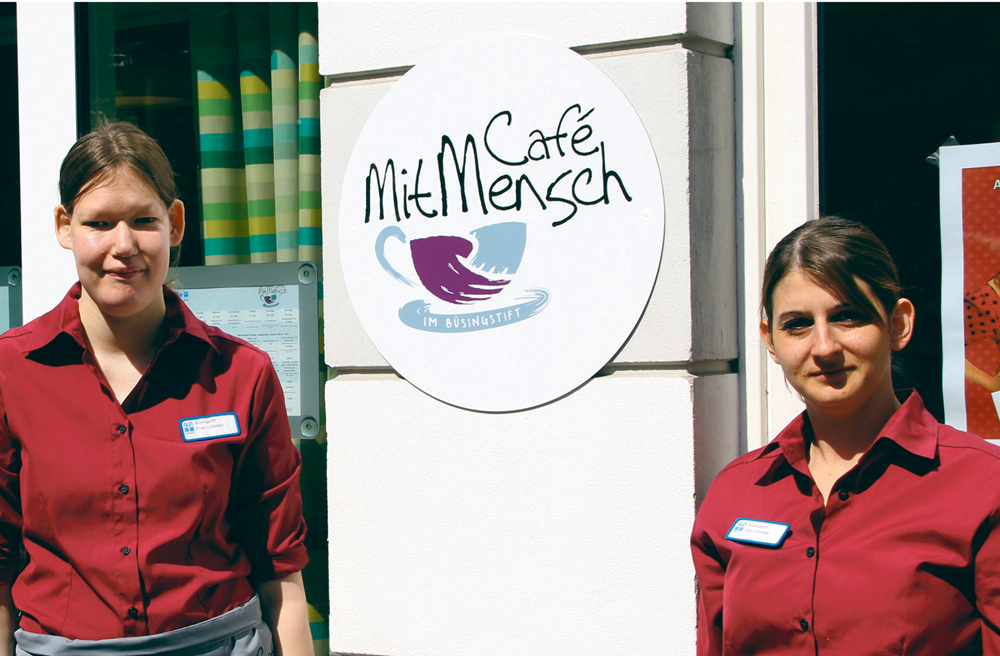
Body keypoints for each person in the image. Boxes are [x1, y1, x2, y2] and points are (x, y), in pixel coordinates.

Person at [0, 122, 314, 656]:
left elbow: (279, 567)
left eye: (143, 221)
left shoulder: (243, 374)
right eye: (99, 223)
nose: (124, 246)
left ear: (175, 223)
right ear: (64, 226)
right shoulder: (12, 372)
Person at [691, 216, 1000, 655]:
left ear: (898, 325)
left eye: (848, 316)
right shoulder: (737, 494)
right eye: (797, 324)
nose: (824, 347)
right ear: (771, 340)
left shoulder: (983, 485)